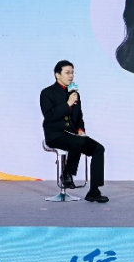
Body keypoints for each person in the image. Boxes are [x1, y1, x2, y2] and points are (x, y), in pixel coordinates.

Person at [39, 60, 108, 203]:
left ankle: (94, 191)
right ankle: (67, 175)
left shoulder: (74, 94)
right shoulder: (47, 93)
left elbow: (79, 117)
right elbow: (49, 116)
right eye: (67, 72)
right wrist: (68, 104)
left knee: (98, 148)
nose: (71, 76)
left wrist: (80, 129)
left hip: (73, 136)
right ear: (57, 75)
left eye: (72, 73)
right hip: (55, 135)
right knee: (78, 142)